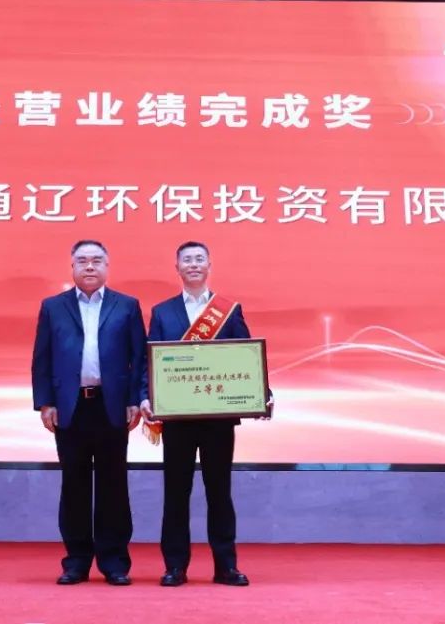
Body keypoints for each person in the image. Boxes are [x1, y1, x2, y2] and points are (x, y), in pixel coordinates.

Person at [140, 241, 272, 587]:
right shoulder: (162, 312)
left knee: (219, 492)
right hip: (177, 420)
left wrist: (263, 394)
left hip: (218, 420)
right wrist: (146, 397)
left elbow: (246, 357)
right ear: (177, 268)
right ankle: (175, 566)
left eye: (199, 259)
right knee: (176, 494)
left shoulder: (228, 310)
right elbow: (149, 361)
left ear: (209, 265)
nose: (194, 264)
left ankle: (226, 566)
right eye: (187, 260)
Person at [31, 240, 146, 586]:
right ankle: (76, 562)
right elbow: (42, 358)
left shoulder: (127, 306)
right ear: (73, 268)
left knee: (114, 485)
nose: (90, 266)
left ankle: (114, 562)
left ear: (107, 266)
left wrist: (134, 399)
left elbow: (139, 358)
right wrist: (46, 402)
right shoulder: (53, 307)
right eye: (82, 261)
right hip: (70, 407)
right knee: (74, 485)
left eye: (97, 260)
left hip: (112, 407)